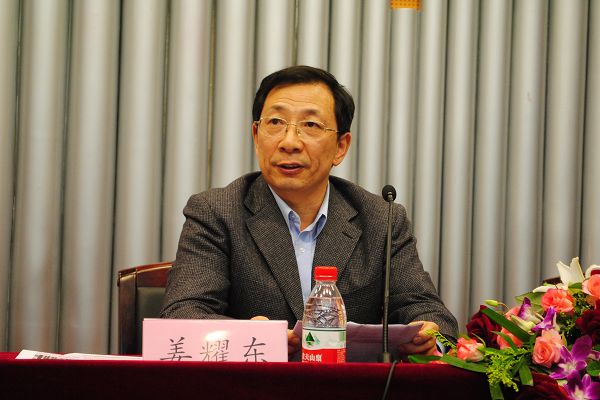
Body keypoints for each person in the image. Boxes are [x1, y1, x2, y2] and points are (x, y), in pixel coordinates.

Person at [161, 65, 458, 359]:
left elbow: (430, 313)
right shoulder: (217, 212)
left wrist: (431, 337)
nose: (289, 142)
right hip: (254, 383)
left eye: (311, 125)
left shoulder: (382, 219)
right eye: (275, 122)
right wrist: (252, 336)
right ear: (256, 135)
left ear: (341, 147)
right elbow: (182, 314)